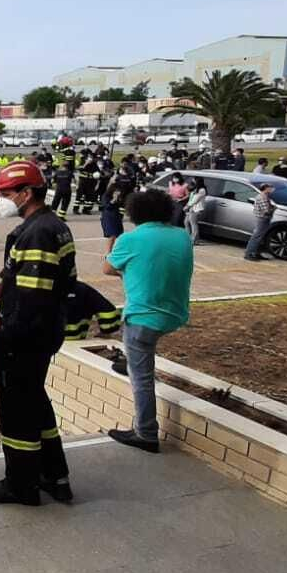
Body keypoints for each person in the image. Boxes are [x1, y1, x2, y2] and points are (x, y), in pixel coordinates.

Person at [0, 160, 76, 506]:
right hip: (44, 331)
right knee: (35, 401)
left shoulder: (37, 232)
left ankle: (21, 484)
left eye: (6, 193)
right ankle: (54, 475)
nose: (1, 198)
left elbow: (32, 296)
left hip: (24, 335)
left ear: (26, 193)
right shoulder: (53, 225)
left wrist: (7, 331)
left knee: (17, 408)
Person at [103, 189, 193, 454]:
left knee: (141, 378)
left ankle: (146, 433)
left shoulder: (131, 239)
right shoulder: (181, 236)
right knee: (141, 356)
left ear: (134, 213)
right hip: (174, 313)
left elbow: (108, 268)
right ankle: (131, 363)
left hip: (143, 317)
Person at [244, 182, 275, 261]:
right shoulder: (263, 197)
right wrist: (273, 209)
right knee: (257, 236)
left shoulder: (264, 196)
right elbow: (266, 211)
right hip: (262, 218)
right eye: (270, 187)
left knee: (260, 236)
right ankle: (249, 254)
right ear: (266, 188)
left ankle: (256, 253)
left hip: (262, 218)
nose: (271, 189)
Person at [183, 178, 208, 246]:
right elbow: (191, 198)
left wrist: (187, 206)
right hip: (192, 208)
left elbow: (195, 200)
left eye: (194, 181)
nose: (192, 182)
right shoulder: (195, 189)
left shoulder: (202, 190)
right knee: (186, 222)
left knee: (193, 224)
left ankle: (193, 240)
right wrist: (187, 205)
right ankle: (189, 238)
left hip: (197, 209)